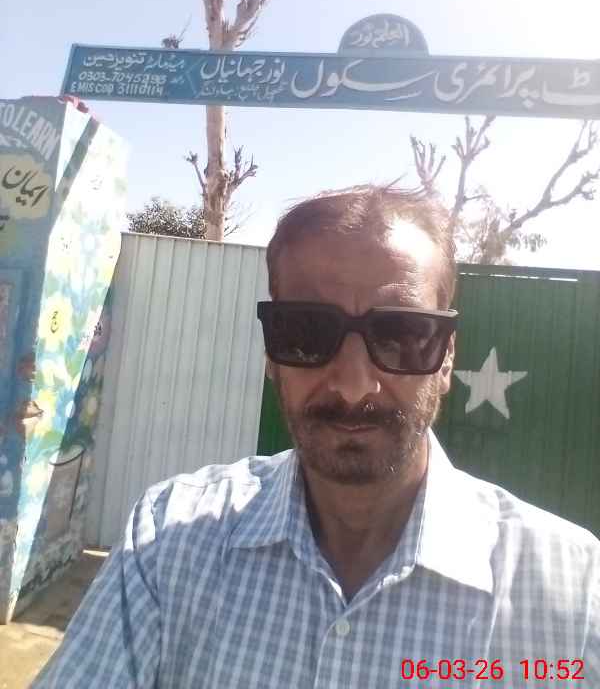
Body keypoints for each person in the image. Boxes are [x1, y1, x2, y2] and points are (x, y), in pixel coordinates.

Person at [33, 185, 600, 688]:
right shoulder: (167, 540)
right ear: (270, 351)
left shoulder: (574, 595)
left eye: (401, 335)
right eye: (307, 332)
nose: (354, 386)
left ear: (446, 357)